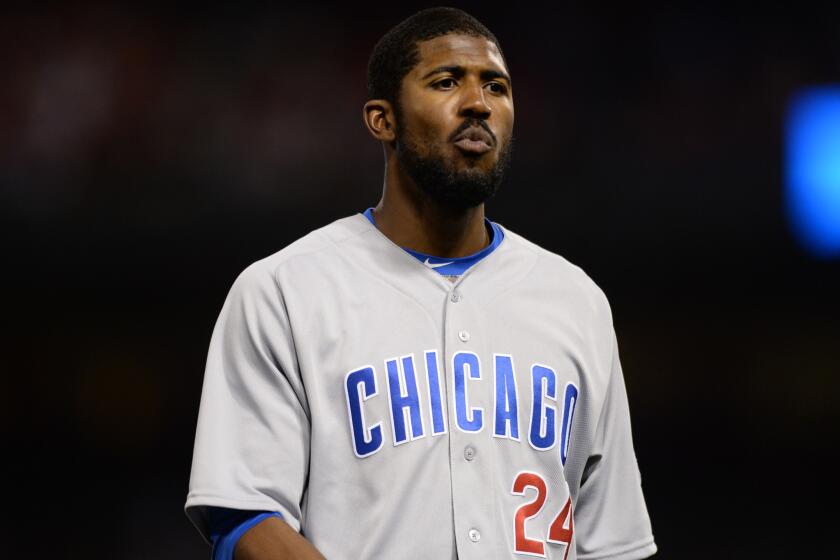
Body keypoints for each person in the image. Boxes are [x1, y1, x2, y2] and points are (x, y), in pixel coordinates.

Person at [185, 7, 656, 560]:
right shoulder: (286, 291)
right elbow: (245, 514)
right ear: (382, 119)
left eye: (496, 87)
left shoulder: (576, 301)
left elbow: (615, 540)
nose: (478, 102)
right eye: (446, 81)